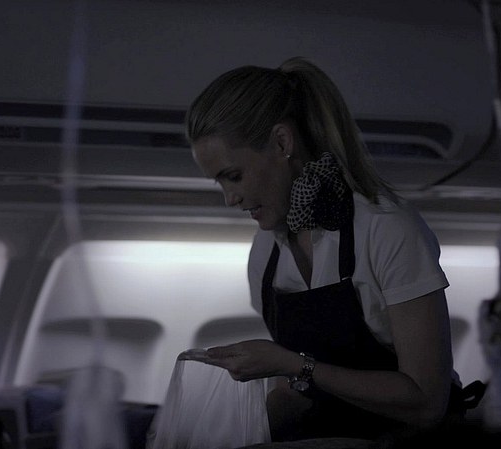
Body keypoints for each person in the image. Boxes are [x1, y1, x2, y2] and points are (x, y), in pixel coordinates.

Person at [184, 56, 473, 444]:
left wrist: (292, 364)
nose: (230, 198)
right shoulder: (265, 253)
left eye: (233, 176)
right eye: (219, 183)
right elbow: (297, 394)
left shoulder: (385, 228)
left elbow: (427, 402)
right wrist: (226, 435)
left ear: (282, 142)